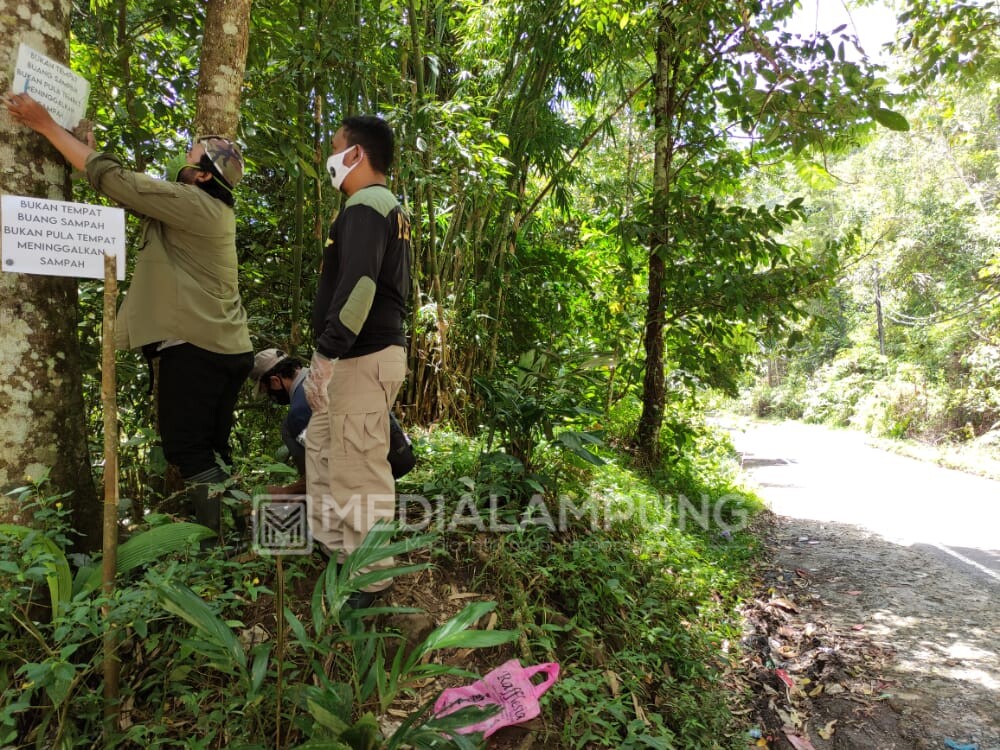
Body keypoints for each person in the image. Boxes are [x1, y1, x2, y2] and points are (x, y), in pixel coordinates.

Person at [4, 91, 254, 545]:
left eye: (192, 154)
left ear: (200, 176)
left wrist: (46, 126)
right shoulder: (205, 210)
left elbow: (118, 181)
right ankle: (238, 537)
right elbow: (128, 191)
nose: (185, 153)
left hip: (197, 347)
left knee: (188, 449)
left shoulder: (194, 204)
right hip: (226, 347)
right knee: (211, 449)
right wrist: (79, 143)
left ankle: (229, 545)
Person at [304, 115, 410, 603]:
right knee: (324, 452)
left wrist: (328, 351)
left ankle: (371, 580)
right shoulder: (379, 208)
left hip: (359, 357)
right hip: (353, 359)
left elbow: (361, 286)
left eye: (335, 147)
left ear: (357, 155)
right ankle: (336, 554)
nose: (330, 157)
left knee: (357, 468)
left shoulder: (367, 205)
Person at [250, 347, 416, 496]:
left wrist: (286, 492)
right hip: (401, 456)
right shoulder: (333, 373)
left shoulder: (300, 408)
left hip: (372, 473)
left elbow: (327, 470)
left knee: (289, 426)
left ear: (275, 381)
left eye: (268, 392)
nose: (271, 398)